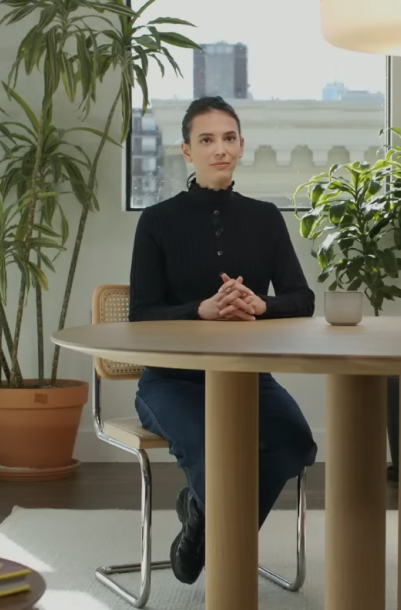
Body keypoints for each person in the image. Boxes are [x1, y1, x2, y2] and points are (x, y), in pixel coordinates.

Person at [128, 96, 319, 585]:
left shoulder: (265, 218)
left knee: (294, 443)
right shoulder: (156, 221)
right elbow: (141, 314)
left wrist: (260, 305)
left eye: (229, 138)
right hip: (170, 382)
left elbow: (302, 298)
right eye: (207, 140)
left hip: (247, 377)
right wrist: (200, 309)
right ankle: (224, 552)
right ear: (187, 151)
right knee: (219, 455)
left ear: (241, 146)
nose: (220, 149)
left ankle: (200, 520)